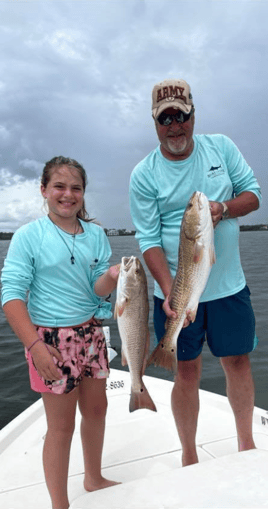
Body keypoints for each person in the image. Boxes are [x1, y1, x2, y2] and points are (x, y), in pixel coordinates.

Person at [129, 79, 262, 467]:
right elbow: (149, 237)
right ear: (155, 123)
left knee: (237, 362)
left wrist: (221, 209)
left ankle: (246, 445)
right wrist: (170, 291)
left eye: (181, 115)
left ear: (193, 114)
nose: (174, 126)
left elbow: (253, 196)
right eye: (165, 118)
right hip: (173, 293)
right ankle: (189, 455)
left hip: (229, 289)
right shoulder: (144, 173)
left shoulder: (221, 146)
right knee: (185, 371)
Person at [1, 156, 120, 509]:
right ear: (44, 190)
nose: (68, 195)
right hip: (50, 341)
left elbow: (95, 289)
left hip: (92, 333)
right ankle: (59, 503)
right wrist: (34, 345)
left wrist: (112, 277)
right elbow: (10, 294)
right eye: (60, 187)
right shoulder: (28, 236)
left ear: (84, 194)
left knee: (97, 410)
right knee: (61, 426)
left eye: (76, 188)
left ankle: (93, 477)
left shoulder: (96, 235)